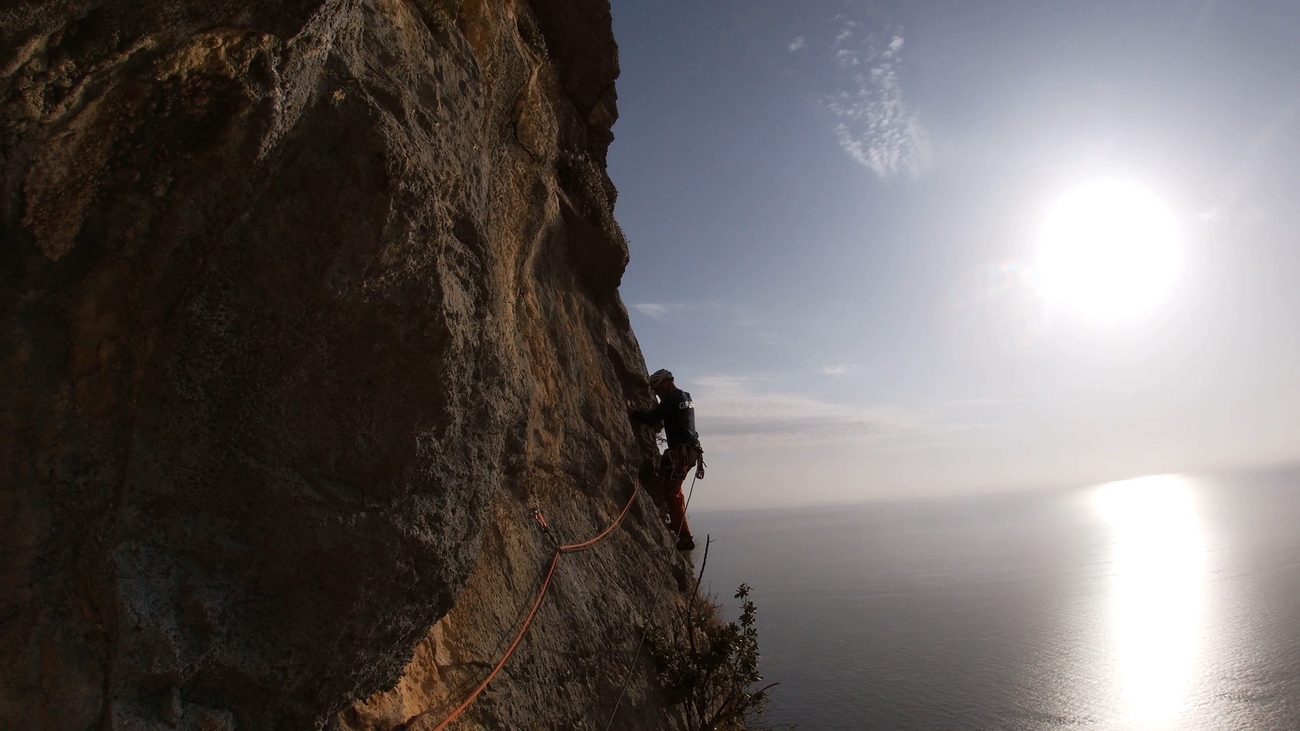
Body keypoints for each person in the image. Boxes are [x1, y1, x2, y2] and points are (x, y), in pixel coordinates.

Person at [628, 369, 704, 551]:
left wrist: (632, 412)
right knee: (673, 489)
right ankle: (679, 528)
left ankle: (684, 537)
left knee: (671, 492)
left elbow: (652, 418)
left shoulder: (671, 400)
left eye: (658, 389)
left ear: (666, 383)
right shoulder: (686, 397)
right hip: (690, 452)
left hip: (681, 452)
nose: (657, 394)